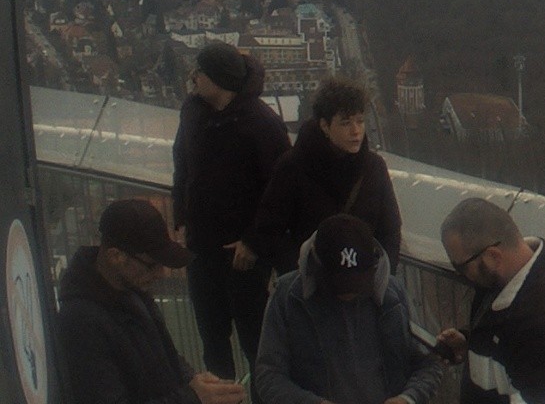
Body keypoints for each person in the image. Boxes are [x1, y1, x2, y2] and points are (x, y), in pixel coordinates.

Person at [171, 41, 290, 380]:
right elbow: (182, 163)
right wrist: (181, 212)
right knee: (213, 343)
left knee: (258, 349)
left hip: (243, 258)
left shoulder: (263, 125)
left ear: (218, 79)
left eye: (200, 71)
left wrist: (253, 242)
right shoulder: (192, 111)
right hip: (201, 251)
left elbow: (280, 192)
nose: (193, 76)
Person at [54, 197, 246, 404]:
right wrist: (192, 398)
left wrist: (196, 382)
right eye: (151, 265)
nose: (161, 273)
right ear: (116, 256)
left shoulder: (133, 290)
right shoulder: (80, 321)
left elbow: (168, 358)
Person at [254, 213, 443, 404]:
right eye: (338, 285)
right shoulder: (288, 298)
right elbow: (268, 375)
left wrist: (407, 398)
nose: (348, 294)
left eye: (358, 284)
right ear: (316, 267)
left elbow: (428, 363)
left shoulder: (393, 296)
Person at [435, 197, 545, 404]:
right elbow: (506, 338)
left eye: (461, 266)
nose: (461, 275)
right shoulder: (506, 279)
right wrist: (469, 342)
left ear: (493, 255)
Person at [254, 77, 403, 274]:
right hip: (312, 284)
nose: (356, 131)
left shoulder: (374, 167)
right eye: (345, 123)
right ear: (325, 126)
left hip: (362, 281)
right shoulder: (293, 167)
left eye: (360, 121)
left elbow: (390, 228)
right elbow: (270, 227)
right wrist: (301, 271)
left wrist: (382, 274)